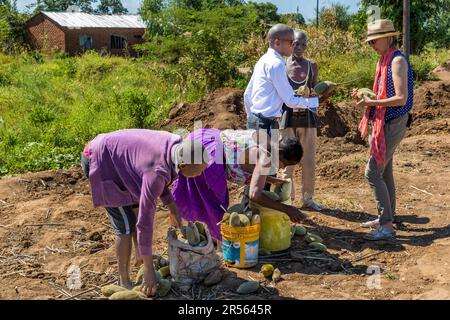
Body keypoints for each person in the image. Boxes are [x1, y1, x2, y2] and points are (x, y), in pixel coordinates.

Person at [80, 129, 208, 296]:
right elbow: (144, 223)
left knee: (135, 207)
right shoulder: (155, 172)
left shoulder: (175, 145)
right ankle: (124, 279)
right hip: (100, 159)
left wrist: (172, 207)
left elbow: (158, 179)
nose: (201, 173)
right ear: (183, 165)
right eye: (199, 170)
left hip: (122, 162)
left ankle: (140, 256)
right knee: (126, 225)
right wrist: (149, 271)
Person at [172, 128, 306, 240]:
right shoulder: (266, 157)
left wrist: (272, 181)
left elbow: (250, 167)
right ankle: (216, 243)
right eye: (285, 164)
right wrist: (287, 209)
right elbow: (255, 195)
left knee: (203, 202)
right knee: (214, 209)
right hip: (209, 159)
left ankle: (198, 234)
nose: (282, 169)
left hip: (204, 140)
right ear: (281, 153)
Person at [351, 19, 414, 241]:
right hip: (386, 121)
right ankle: (387, 216)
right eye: (370, 42)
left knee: (372, 172)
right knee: (385, 172)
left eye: (374, 41)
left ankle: (386, 226)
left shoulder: (396, 61)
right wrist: (366, 96)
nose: (372, 46)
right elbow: (382, 95)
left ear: (388, 37)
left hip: (394, 121)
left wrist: (371, 104)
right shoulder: (384, 60)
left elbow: (400, 98)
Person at [244, 24, 319, 136]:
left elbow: (247, 94)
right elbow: (289, 100)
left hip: (259, 121)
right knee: (268, 153)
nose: (293, 45)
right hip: (266, 124)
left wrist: (252, 118)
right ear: (277, 42)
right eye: (291, 42)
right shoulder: (276, 64)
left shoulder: (263, 60)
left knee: (266, 153)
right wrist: (314, 102)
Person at [278, 29, 323, 211]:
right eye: (296, 43)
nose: (299, 47)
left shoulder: (312, 66)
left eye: (303, 44)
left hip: (307, 120)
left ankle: (308, 199)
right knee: (287, 160)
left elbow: (315, 91)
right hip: (287, 119)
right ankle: (288, 198)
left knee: (308, 160)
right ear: (290, 43)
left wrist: (315, 94)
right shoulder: (282, 66)